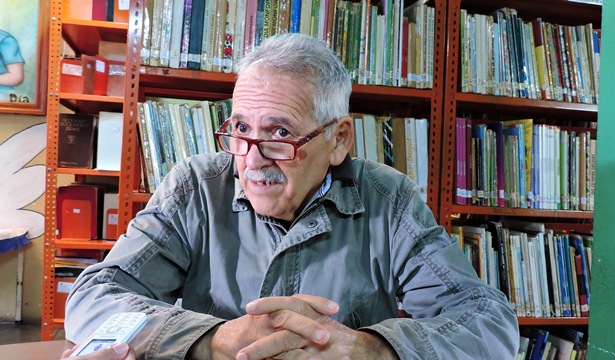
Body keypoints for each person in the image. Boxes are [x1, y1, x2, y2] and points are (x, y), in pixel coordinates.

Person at [65, 33, 519, 359]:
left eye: (279, 132)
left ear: (339, 139)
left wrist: (371, 349)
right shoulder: (195, 187)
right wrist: (214, 340)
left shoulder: (388, 198)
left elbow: (488, 320)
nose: (252, 159)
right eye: (241, 129)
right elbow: (95, 296)